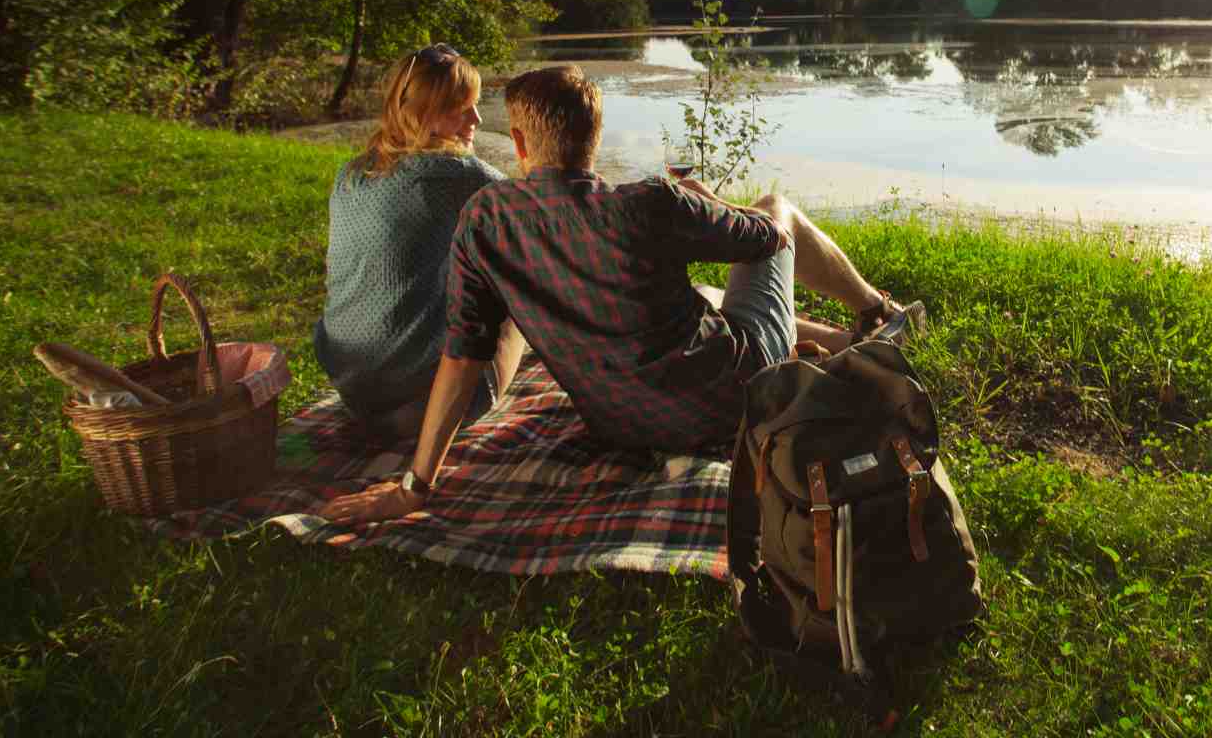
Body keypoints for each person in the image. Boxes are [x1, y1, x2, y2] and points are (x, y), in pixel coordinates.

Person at [322, 63, 919, 524]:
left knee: (697, 297)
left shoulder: (485, 220)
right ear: (594, 138)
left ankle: (849, 336)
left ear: (524, 146)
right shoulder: (650, 202)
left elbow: (462, 355)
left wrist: (415, 485)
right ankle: (875, 311)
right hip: (733, 395)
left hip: (619, 422)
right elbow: (770, 240)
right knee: (776, 204)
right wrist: (705, 202)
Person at [314, 43, 523, 440]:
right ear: (422, 113)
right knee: (513, 291)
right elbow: (541, 213)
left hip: (354, 388)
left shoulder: (350, 173)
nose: (476, 118)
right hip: (425, 400)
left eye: (476, 104)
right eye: (460, 108)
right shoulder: (460, 174)